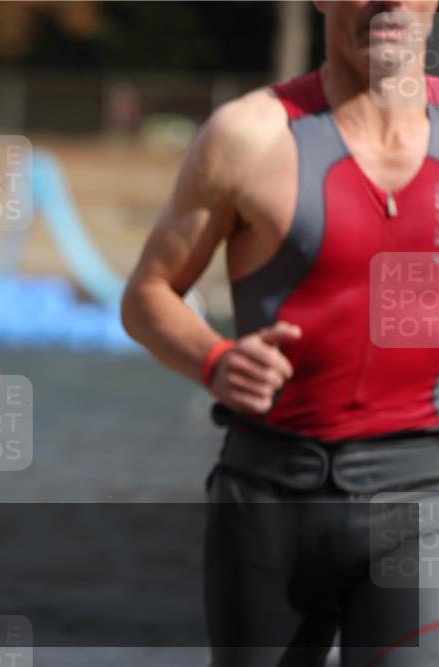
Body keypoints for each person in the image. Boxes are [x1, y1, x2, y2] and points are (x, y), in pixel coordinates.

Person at [122, 3, 439, 665]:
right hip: (268, 497)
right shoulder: (248, 134)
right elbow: (146, 295)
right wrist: (216, 360)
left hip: (417, 494)